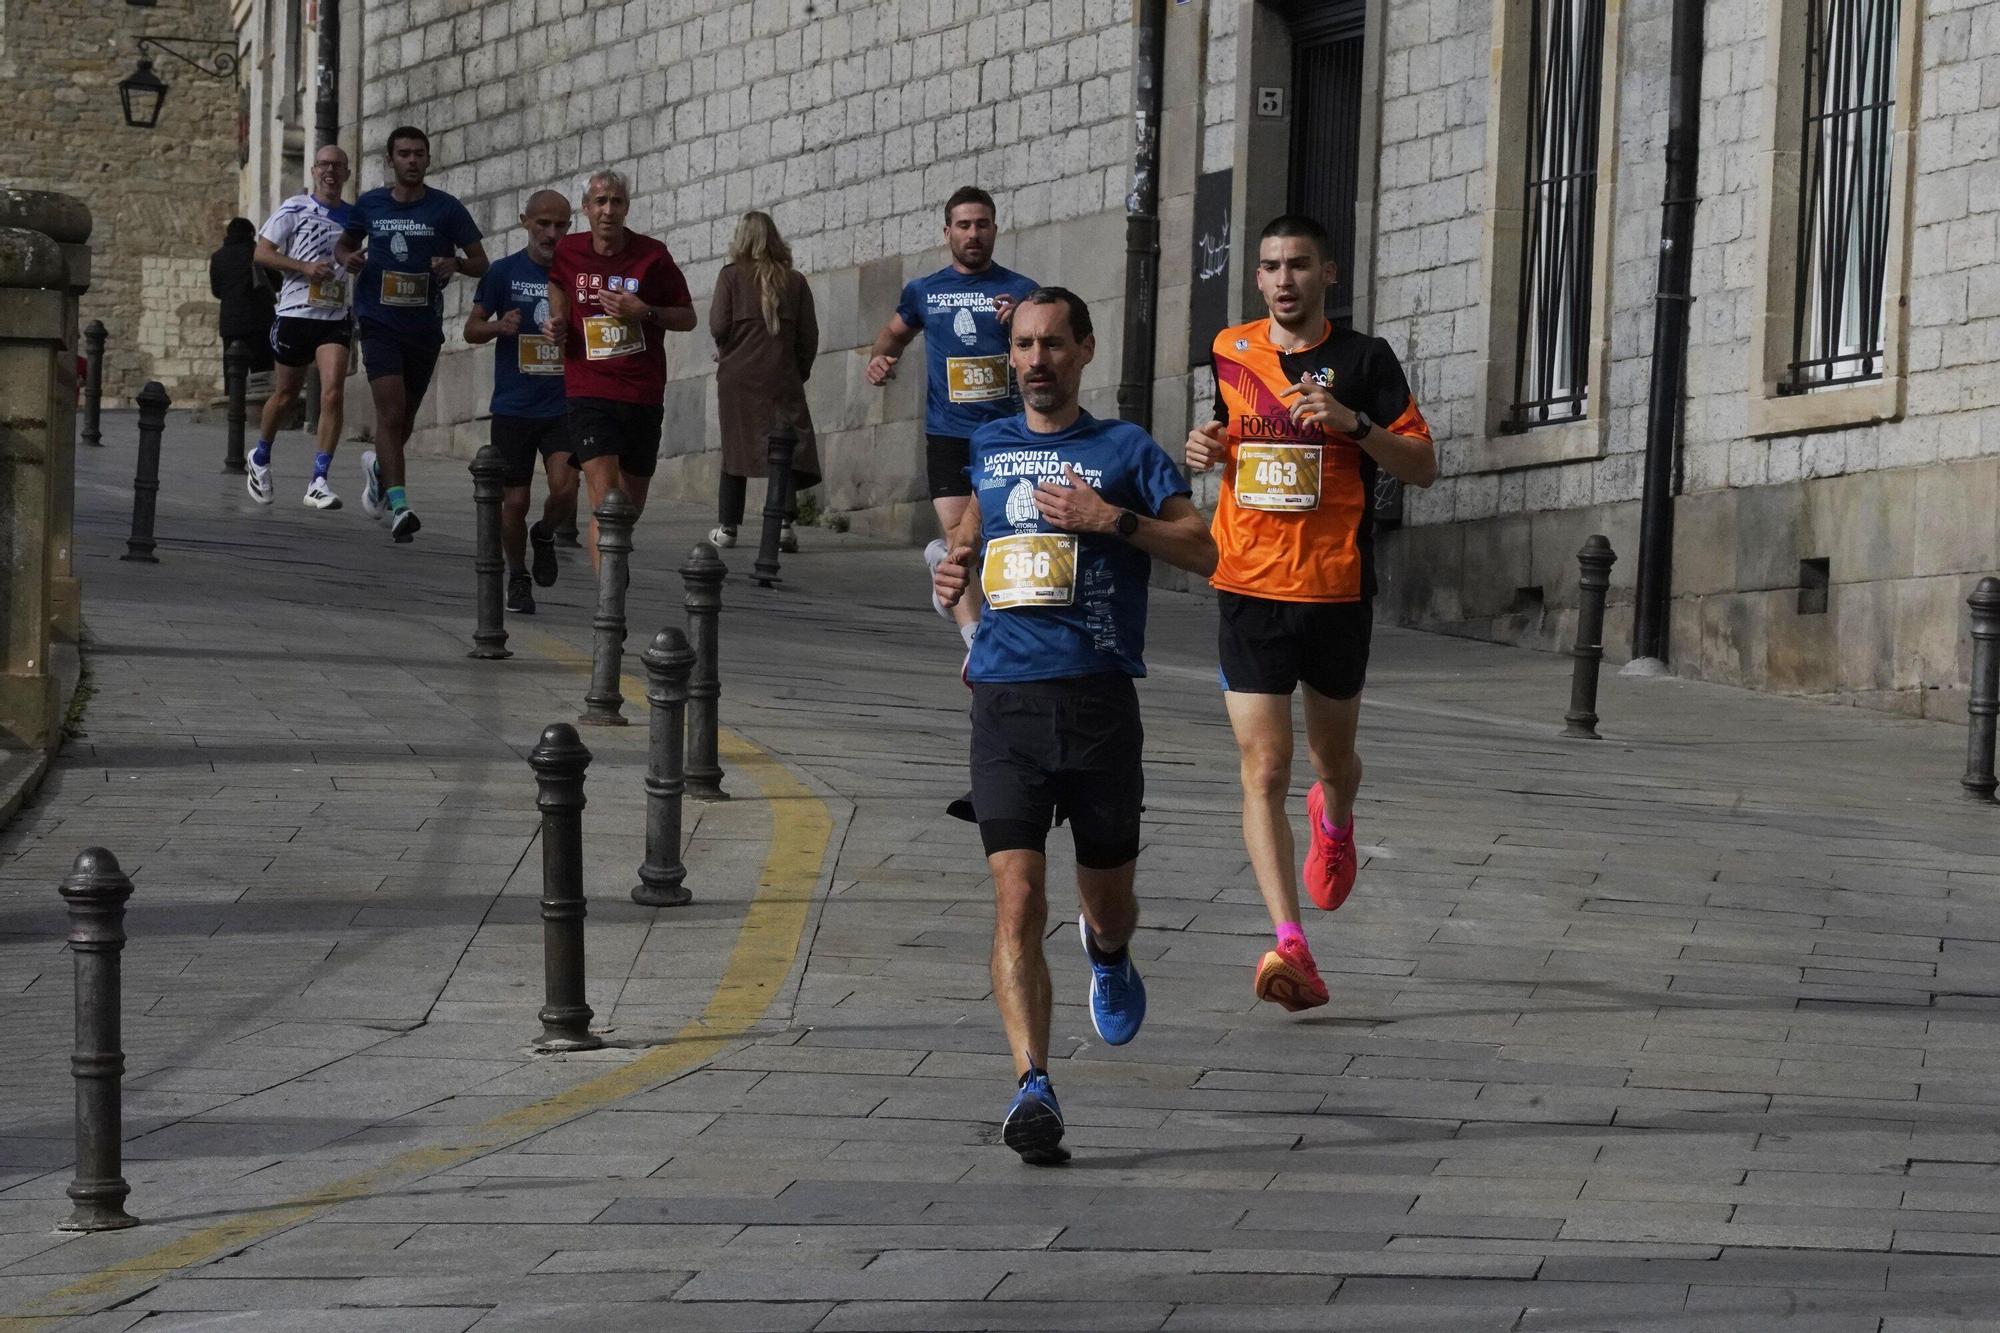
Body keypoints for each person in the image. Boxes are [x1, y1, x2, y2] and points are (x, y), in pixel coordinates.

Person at [932, 288, 1217, 1166]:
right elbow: (969, 542)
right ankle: (1032, 1085)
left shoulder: (1124, 448)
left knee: (1107, 902)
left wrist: (1111, 521)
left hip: (1097, 704)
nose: (1036, 360)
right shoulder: (988, 445)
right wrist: (957, 585)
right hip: (1006, 704)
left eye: (1054, 343)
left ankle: (1109, 951)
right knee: (1017, 897)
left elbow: (1204, 548)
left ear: (1085, 351)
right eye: (1023, 346)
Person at [1184, 214, 1437, 1013]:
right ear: (1256, 278)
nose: (1283, 278)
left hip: (1333, 590)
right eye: (1269, 266)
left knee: (1333, 761)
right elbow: (1234, 440)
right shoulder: (1230, 349)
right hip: (1249, 584)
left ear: (1328, 274)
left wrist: (1355, 426)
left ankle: (1337, 815)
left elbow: (1424, 465)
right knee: (1264, 769)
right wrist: (1209, 448)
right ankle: (1291, 943)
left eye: (1298, 264)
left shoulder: (1367, 360)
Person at [865, 186, 1038, 655]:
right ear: (948, 233)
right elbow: (891, 338)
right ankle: (975, 642)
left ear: (995, 230)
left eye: (982, 224)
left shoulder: (1023, 291)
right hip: (948, 434)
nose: (973, 234)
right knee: (959, 538)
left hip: (1006, 434)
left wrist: (1019, 324)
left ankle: (950, 573)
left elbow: (1045, 344)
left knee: (993, 537)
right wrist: (880, 361)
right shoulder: (925, 291)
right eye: (963, 225)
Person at [336, 126, 489, 542]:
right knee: (389, 413)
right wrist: (349, 259)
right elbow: (344, 245)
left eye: (419, 154)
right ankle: (401, 507)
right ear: (390, 159)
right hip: (378, 323)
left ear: (428, 159)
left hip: (423, 327)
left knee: (402, 422)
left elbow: (482, 262)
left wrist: (454, 264)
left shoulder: (446, 209)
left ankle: (378, 470)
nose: (412, 160)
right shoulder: (370, 204)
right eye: (403, 154)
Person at [541, 168, 696, 564]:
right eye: (601, 202)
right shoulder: (570, 250)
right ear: (586, 209)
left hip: (642, 391)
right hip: (589, 389)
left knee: (629, 506)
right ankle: (608, 605)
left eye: (617, 202)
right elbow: (557, 283)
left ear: (627, 207)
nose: (609, 210)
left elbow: (687, 317)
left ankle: (605, 572)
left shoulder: (653, 256)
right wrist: (558, 320)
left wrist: (644, 311)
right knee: (605, 498)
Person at [465, 189, 580, 615]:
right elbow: (471, 330)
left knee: (565, 491)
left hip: (562, 405)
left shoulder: (576, 274)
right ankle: (517, 575)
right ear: (525, 222)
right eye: (543, 224)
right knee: (513, 503)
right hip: (513, 406)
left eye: (560, 225)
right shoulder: (503, 273)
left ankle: (545, 534)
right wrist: (499, 327)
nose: (551, 233)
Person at [246, 145, 364, 510]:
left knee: (332, 393)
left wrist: (359, 263)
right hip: (296, 313)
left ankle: (318, 480)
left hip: (334, 316)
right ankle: (261, 457)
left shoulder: (355, 218)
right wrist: (304, 267)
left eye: (337, 166)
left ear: (346, 174)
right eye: (324, 165)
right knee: (285, 396)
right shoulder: (294, 208)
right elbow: (261, 252)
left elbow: (355, 256)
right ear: (314, 171)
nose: (330, 172)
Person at [709, 211, 822, 553]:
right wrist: (795, 371)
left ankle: (728, 527)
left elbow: (718, 326)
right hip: (780, 376)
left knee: (735, 447)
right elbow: (808, 337)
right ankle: (784, 525)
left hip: (737, 379)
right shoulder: (795, 281)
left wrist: (729, 351)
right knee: (782, 446)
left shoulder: (730, 277)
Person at [209, 217, 276, 377]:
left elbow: (216, 290)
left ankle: (233, 402)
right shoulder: (258, 253)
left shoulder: (218, 257)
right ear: (251, 233)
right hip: (260, 323)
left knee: (233, 375)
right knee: (261, 375)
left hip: (231, 325)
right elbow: (277, 282)